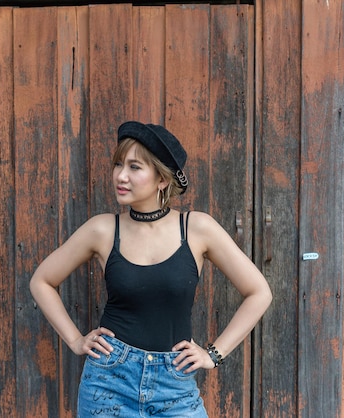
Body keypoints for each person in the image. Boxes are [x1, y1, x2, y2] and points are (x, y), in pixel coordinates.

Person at [29, 121, 272, 417]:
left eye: (134, 167)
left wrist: (213, 354)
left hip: (175, 385)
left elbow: (259, 292)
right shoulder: (103, 230)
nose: (121, 176)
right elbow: (42, 281)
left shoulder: (197, 228)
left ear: (161, 179)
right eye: (118, 164)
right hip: (109, 382)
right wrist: (76, 340)